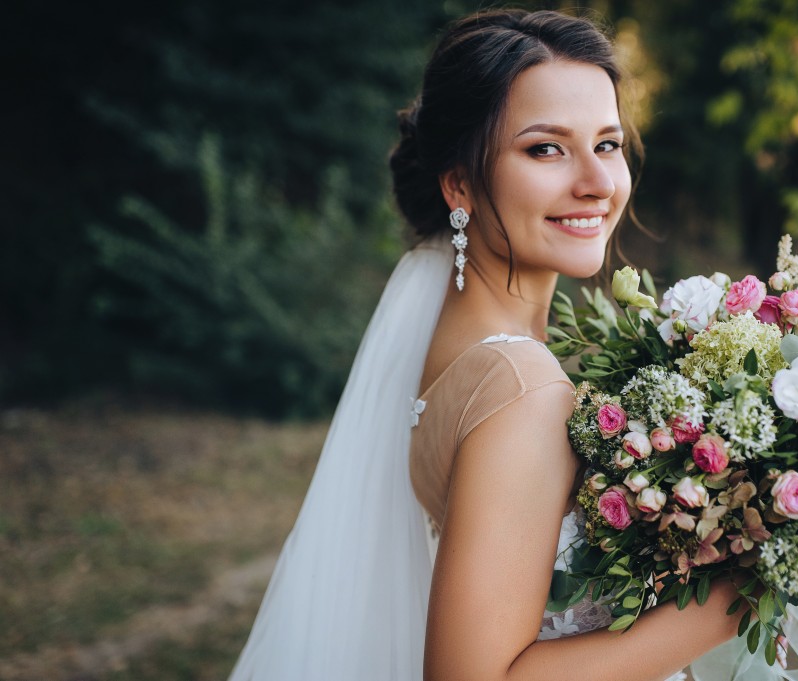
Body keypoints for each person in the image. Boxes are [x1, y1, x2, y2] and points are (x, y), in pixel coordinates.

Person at [229, 10, 746, 681]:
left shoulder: (458, 342)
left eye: (608, 144)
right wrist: (719, 605)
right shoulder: (521, 388)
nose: (596, 181)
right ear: (460, 184)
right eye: (546, 149)